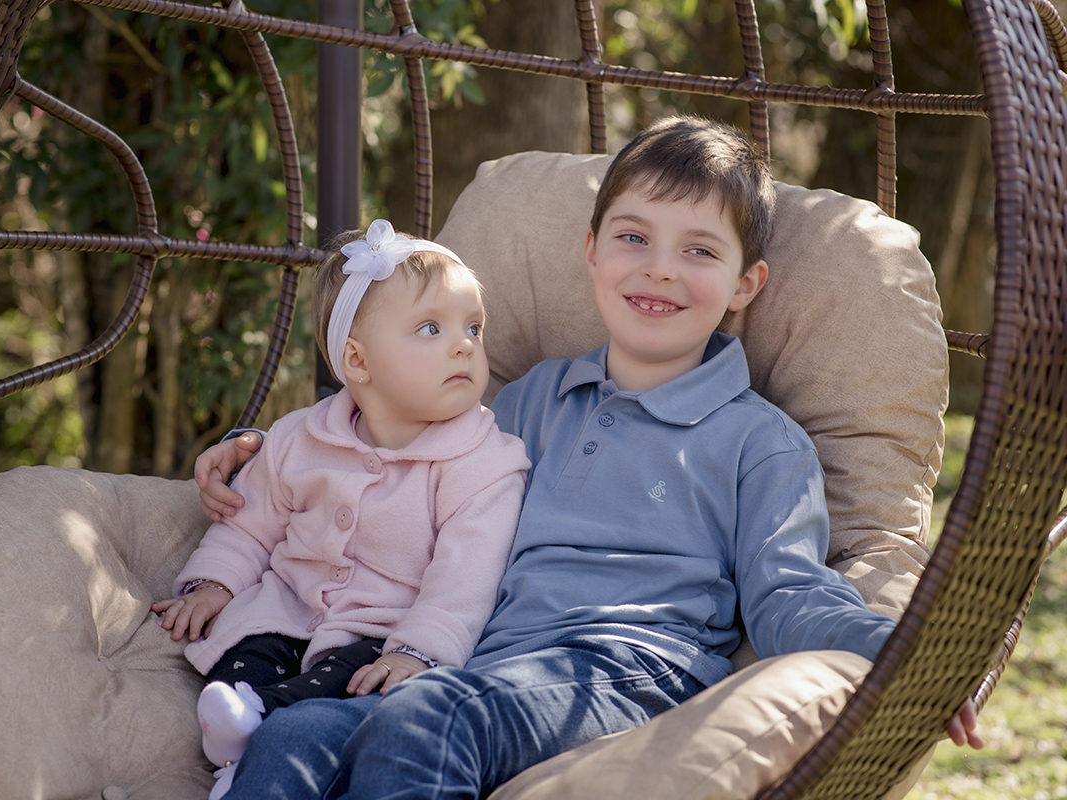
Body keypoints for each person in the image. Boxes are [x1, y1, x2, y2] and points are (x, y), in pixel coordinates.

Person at [195, 116, 983, 800]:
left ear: (746, 285)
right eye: (633, 238)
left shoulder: (762, 442)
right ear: (592, 251)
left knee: (425, 721)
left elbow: (787, 594)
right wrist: (261, 452)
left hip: (631, 671)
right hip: (484, 666)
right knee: (291, 739)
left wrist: (899, 652)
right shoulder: (528, 400)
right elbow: (394, 447)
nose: (660, 268)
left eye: (699, 251)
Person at [154, 219, 529, 799]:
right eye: (431, 328)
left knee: (350, 682)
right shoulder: (298, 437)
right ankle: (236, 735)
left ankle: (255, 730)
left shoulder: (484, 462)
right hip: (287, 607)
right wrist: (214, 586)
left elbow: (466, 575)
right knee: (243, 647)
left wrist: (418, 651)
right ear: (358, 362)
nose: (464, 344)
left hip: (381, 631)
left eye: (473, 328)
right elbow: (251, 525)